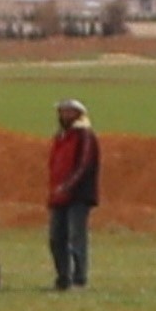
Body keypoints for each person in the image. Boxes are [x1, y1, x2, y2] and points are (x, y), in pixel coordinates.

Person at [43, 96, 102, 290]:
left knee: (76, 236)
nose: (64, 115)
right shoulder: (60, 136)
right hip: (59, 194)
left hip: (78, 195)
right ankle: (62, 278)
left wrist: (69, 185)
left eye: (68, 111)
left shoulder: (85, 136)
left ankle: (79, 278)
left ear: (78, 114)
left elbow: (85, 165)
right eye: (62, 111)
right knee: (55, 237)